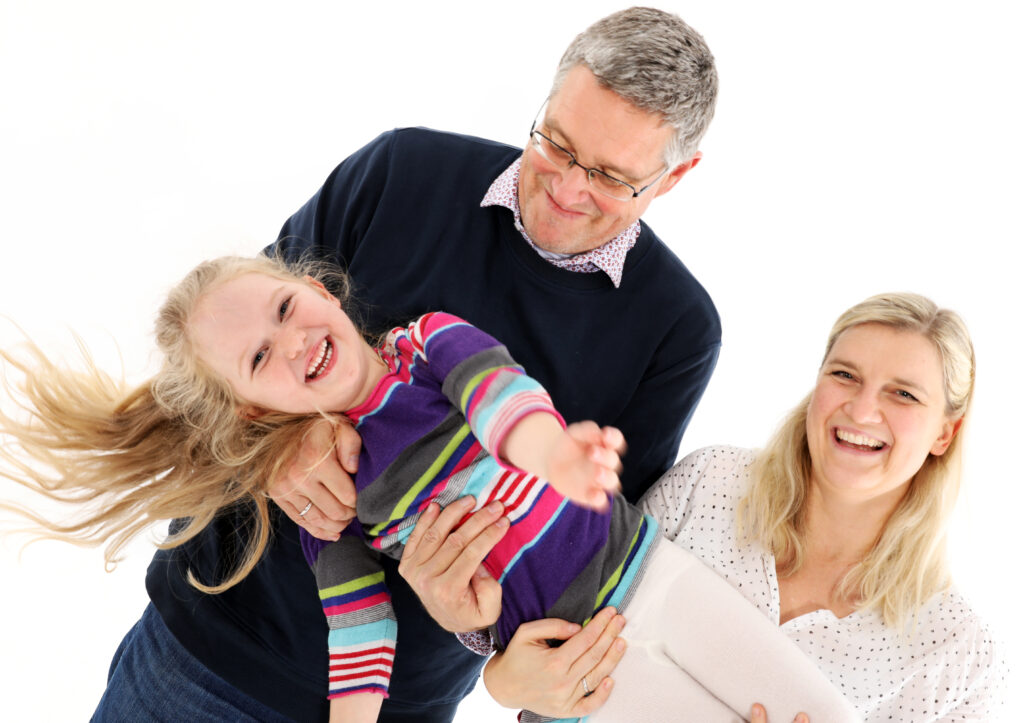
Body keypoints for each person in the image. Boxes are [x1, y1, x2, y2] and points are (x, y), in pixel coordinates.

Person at [120, 7, 722, 722]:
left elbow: (593, 573)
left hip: (405, 704)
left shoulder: (677, 329)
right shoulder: (402, 172)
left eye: (610, 177)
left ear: (676, 175)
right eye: (555, 143)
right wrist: (274, 448)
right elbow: (212, 364)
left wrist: (493, 652)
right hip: (199, 663)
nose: (565, 187)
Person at [1, 255, 857, 723]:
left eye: (287, 307)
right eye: (259, 358)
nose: (292, 340)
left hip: (655, 578)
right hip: (570, 665)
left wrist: (552, 457)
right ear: (251, 406)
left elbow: (501, 400)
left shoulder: (427, 345)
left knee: (817, 714)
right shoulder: (331, 508)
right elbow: (360, 627)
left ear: (322, 287)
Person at [448, 292, 1006, 721]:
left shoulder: (957, 658)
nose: (861, 410)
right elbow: (564, 621)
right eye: (844, 375)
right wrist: (503, 680)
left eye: (903, 394)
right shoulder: (710, 482)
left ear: (945, 433)